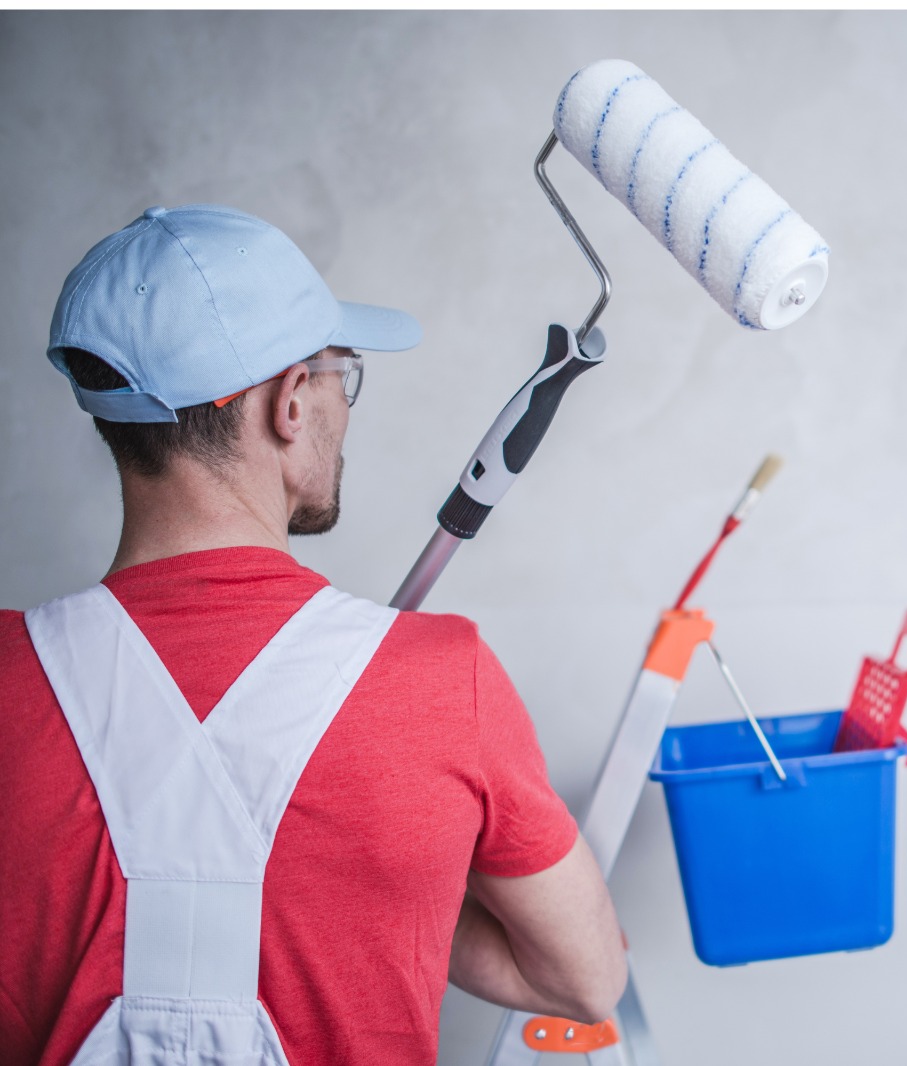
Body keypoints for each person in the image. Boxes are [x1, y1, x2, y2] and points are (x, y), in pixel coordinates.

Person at [0, 204, 627, 1065]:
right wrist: (398, 889)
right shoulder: (443, 683)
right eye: (341, 375)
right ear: (290, 402)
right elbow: (587, 978)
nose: (344, 405)